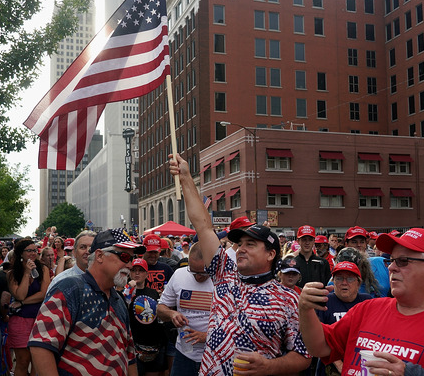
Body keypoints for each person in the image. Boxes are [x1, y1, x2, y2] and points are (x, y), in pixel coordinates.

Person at [169, 153, 311, 376]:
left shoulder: (290, 300)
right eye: (240, 243)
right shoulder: (224, 273)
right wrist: (186, 177)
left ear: (271, 254)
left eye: (251, 244)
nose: (241, 248)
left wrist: (269, 367)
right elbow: (203, 226)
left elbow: (303, 356)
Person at [299, 228, 424, 375]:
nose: (391, 267)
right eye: (391, 260)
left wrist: (411, 373)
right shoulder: (367, 309)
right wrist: (305, 310)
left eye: (403, 261)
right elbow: (320, 347)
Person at [29, 228, 141, 375]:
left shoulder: (118, 299)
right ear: (100, 256)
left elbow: (129, 355)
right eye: (125, 257)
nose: (130, 265)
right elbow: (41, 345)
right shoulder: (70, 289)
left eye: (132, 259)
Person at [158, 242, 214, 376]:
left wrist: (208, 336)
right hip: (184, 354)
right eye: (193, 271)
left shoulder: (224, 279)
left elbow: (236, 322)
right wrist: (172, 314)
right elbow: (160, 309)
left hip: (214, 354)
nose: (198, 276)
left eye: (203, 272)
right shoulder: (179, 275)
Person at [315, 261, 372, 376]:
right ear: (333, 282)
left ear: (358, 283)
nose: (344, 283)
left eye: (350, 279)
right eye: (339, 278)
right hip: (330, 366)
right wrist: (340, 365)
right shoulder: (324, 302)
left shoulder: (367, 302)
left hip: (361, 364)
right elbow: (319, 338)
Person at [7, 239, 50, 376]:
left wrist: (23, 302)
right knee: (23, 361)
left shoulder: (43, 269)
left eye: (35, 250)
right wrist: (26, 273)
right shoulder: (12, 274)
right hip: (20, 321)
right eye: (29, 250)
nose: (33, 253)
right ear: (21, 253)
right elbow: (20, 295)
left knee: (37, 361)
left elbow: (43, 294)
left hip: (39, 319)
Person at [124, 258, 166, 376]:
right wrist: (129, 289)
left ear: (147, 274)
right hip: (134, 346)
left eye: (141, 271)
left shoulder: (153, 292)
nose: (137, 273)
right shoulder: (126, 291)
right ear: (130, 273)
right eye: (134, 270)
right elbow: (123, 306)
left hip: (154, 345)